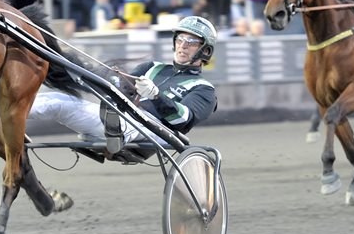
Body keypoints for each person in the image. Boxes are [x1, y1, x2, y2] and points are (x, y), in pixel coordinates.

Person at [28, 16, 218, 158]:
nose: (183, 46)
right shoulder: (152, 67)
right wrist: (87, 73)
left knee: (60, 105)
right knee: (61, 99)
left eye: (192, 42)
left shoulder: (204, 90)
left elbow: (182, 119)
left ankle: (116, 128)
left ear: (206, 50)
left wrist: (156, 96)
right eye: (180, 39)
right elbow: (120, 89)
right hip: (126, 118)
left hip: (154, 131)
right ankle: (12, 107)